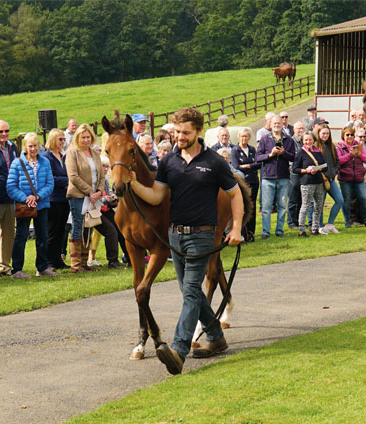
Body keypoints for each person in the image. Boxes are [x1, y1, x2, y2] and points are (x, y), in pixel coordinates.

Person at [128, 106, 244, 375]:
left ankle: (178, 351)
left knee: (191, 290)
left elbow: (236, 194)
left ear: (198, 132)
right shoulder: (168, 162)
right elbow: (157, 196)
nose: (179, 136)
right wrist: (133, 184)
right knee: (188, 292)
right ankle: (216, 337)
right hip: (174, 237)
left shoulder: (214, 162)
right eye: (177, 131)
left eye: (185, 132)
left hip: (203, 235)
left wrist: (235, 227)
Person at [7, 133, 56, 278]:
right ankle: (17, 269)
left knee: (43, 236)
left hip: (41, 204)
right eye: (30, 146)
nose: (33, 149)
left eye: (35, 146)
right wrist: (26, 198)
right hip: (24, 206)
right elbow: (11, 186)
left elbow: (50, 183)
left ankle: (42, 266)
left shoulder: (45, 162)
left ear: (39, 146)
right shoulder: (17, 163)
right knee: (21, 236)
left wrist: (38, 196)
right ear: (25, 147)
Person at [65, 124, 106, 273]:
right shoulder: (72, 153)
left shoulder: (94, 153)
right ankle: (75, 265)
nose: (86, 140)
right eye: (83, 137)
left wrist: (99, 191)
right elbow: (73, 176)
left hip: (94, 196)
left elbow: (101, 175)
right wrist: (89, 191)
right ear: (77, 138)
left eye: (88, 137)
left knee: (89, 226)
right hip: (78, 195)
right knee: (78, 226)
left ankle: (84, 262)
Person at [256, 115, 295, 239]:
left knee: (282, 206)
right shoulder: (264, 139)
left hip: (283, 176)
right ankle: (265, 232)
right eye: (275, 123)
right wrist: (270, 154)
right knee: (267, 207)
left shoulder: (288, 140)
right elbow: (258, 157)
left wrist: (284, 153)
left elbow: (294, 157)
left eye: (279, 123)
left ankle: (279, 231)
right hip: (268, 177)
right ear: (270, 124)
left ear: (282, 124)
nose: (277, 125)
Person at [87, 156, 124, 270]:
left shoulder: (106, 180)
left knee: (120, 229)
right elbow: (91, 200)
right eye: (103, 166)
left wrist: (113, 201)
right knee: (111, 232)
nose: (105, 169)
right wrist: (105, 200)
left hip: (105, 209)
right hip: (93, 211)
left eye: (107, 166)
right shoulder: (91, 180)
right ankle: (112, 261)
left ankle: (129, 257)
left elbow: (107, 197)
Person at [336, 126, 366, 228]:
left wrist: (359, 154)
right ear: (343, 136)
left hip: (359, 178)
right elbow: (338, 161)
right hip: (345, 178)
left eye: (352, 135)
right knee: (347, 200)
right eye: (347, 135)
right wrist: (350, 155)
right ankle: (348, 222)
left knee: (364, 199)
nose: (350, 137)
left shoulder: (359, 146)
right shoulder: (339, 147)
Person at [43, 129, 70, 270]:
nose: (62, 142)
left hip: (65, 198)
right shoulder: (47, 157)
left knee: (61, 231)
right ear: (53, 140)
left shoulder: (62, 156)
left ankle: (57, 260)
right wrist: (66, 181)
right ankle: (48, 261)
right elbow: (49, 177)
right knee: (52, 231)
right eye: (60, 139)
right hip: (53, 198)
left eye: (64, 139)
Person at [0, 120, 18, 277]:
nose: (4, 134)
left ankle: (5, 266)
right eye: (0, 131)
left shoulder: (13, 147)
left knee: (9, 233)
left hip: (10, 196)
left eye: (6, 131)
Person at [293, 132, 326, 237]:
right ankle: (302, 230)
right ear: (302, 141)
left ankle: (315, 228)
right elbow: (295, 169)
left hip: (318, 182)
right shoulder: (300, 153)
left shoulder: (318, 152)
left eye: (310, 139)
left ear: (313, 140)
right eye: (306, 140)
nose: (308, 142)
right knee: (305, 206)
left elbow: (325, 166)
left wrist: (317, 168)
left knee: (319, 206)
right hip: (307, 183)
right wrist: (306, 170)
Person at [230, 128, 261, 241]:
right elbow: (236, 166)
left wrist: (248, 166)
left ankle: (251, 232)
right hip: (243, 183)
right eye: (242, 136)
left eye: (246, 136)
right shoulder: (235, 150)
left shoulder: (252, 149)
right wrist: (251, 165)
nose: (244, 138)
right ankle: (243, 232)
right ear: (239, 137)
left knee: (252, 207)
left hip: (254, 181)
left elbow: (258, 164)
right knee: (243, 208)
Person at [315, 124, 345, 234]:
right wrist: (323, 174)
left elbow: (337, 162)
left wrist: (333, 172)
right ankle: (320, 226)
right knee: (320, 204)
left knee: (339, 200)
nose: (325, 135)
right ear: (318, 134)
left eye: (327, 133)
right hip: (320, 180)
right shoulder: (315, 147)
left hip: (331, 180)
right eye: (323, 133)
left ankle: (329, 224)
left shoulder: (331, 146)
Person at [287, 121, 305, 229]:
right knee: (293, 198)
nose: (301, 131)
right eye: (299, 128)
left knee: (301, 199)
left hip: (303, 172)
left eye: (302, 128)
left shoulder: (305, 141)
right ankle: (291, 222)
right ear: (294, 130)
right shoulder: (290, 141)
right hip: (293, 172)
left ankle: (299, 221)